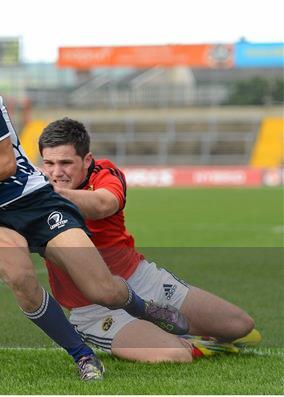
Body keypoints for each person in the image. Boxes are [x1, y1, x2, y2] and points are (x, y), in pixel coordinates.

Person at [0, 24, 188, 381]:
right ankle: (83, 356)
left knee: (101, 289)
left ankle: (144, 307)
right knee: (19, 277)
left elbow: (4, 164)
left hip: (30, 196)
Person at [38, 117, 260, 363]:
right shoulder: (33, 191)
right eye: (49, 163)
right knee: (175, 354)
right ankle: (182, 340)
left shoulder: (104, 173)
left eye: (65, 163)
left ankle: (161, 326)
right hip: (94, 308)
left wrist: (54, 195)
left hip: (143, 281)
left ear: (87, 160)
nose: (56, 172)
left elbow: (103, 204)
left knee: (241, 327)